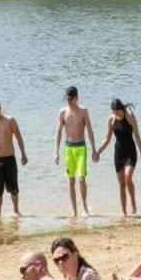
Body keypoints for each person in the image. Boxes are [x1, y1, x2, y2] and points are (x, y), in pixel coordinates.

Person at [97, 99, 141, 217]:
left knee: (127, 178)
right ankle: (124, 213)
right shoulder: (111, 119)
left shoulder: (129, 117)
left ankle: (133, 202)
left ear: (120, 109)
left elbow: (137, 135)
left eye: (116, 111)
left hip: (130, 152)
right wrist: (98, 151)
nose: (114, 114)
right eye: (113, 112)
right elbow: (107, 138)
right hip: (118, 153)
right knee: (121, 184)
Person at [55, 86, 95, 217]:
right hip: (68, 148)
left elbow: (89, 130)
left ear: (76, 98)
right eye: (67, 98)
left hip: (81, 147)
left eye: (71, 99)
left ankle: (84, 207)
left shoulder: (83, 111)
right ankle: (74, 211)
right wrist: (56, 152)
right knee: (71, 180)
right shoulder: (62, 112)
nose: (68, 101)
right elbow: (58, 132)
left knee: (82, 179)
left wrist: (94, 149)